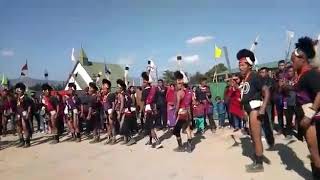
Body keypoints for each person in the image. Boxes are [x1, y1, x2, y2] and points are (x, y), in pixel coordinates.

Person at [291, 37, 320, 179]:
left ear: (302, 58)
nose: (292, 63)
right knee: (313, 151)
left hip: (313, 121)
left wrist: (309, 115)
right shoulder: (302, 75)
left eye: (293, 60)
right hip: (307, 119)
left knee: (315, 153)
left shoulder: (310, 74)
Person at [237, 49, 270, 172]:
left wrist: (262, 109)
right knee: (252, 136)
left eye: (243, 64)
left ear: (250, 65)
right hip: (249, 110)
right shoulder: (246, 78)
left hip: (255, 110)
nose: (240, 67)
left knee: (256, 137)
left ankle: (259, 164)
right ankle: (257, 160)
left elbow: (266, 91)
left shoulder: (255, 76)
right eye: (239, 64)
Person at [140, 72, 162, 149]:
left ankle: (157, 141)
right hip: (154, 109)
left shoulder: (144, 91)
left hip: (148, 111)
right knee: (149, 126)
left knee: (151, 127)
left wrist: (141, 112)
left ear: (147, 82)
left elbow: (142, 103)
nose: (143, 83)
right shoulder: (154, 90)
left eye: (143, 81)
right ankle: (150, 141)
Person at [173, 71, 193, 153]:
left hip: (182, 114)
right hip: (188, 113)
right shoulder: (189, 92)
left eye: (177, 83)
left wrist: (175, 112)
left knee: (176, 131)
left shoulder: (179, 93)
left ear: (181, 83)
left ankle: (180, 146)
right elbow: (193, 103)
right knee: (187, 129)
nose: (176, 85)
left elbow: (177, 105)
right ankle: (189, 147)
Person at [15, 83, 33, 148]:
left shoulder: (26, 98)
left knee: (25, 127)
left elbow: (29, 106)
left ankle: (27, 142)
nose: (18, 91)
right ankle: (21, 140)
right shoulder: (17, 98)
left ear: (23, 90)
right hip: (18, 114)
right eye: (17, 90)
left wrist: (28, 113)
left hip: (24, 113)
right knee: (18, 127)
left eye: (19, 90)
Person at [282, 65, 297, 139]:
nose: (290, 72)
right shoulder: (285, 79)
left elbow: (298, 87)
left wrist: (289, 87)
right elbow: (282, 88)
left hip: (297, 102)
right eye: (288, 71)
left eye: (291, 71)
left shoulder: (297, 79)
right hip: (286, 102)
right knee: (288, 119)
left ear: (294, 71)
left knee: (299, 118)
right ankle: (289, 133)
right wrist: (285, 86)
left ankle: (300, 133)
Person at [101, 79, 116, 145]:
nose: (103, 90)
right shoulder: (104, 96)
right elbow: (104, 104)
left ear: (108, 88)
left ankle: (114, 138)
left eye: (104, 89)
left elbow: (113, 104)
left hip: (110, 112)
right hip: (106, 112)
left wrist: (112, 113)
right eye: (103, 89)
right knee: (107, 126)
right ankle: (109, 138)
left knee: (112, 125)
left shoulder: (111, 95)